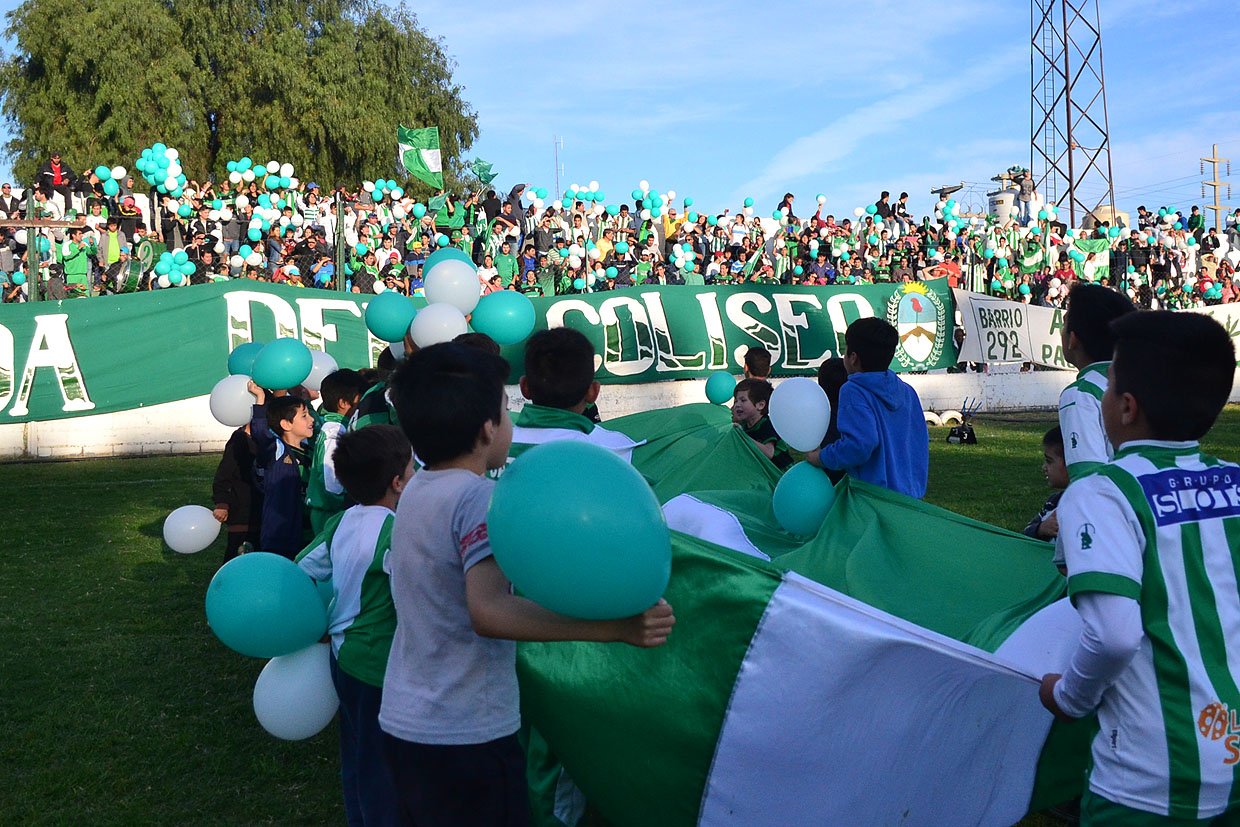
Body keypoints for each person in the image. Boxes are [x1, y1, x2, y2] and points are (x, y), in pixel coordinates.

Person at [379, 343, 675, 827]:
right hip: (465, 730)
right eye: (506, 407)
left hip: (408, 719)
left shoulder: (417, 490)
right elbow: (488, 610)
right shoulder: (479, 500)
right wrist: (615, 628)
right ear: (487, 429)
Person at [1038, 311, 1240, 826]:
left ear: (1126, 408)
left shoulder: (1100, 492)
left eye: (1108, 388)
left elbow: (1113, 635)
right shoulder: (1236, 482)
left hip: (1146, 780)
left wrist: (1068, 697)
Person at [297, 425, 412, 827]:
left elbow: (301, 570)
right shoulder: (397, 531)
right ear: (398, 482)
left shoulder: (341, 521)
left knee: (358, 755)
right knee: (383, 765)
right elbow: (413, 601)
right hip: (379, 665)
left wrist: (316, 622)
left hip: (342, 658)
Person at [806, 317, 929, 498]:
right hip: (910, 497)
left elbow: (860, 445)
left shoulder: (853, 390)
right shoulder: (907, 391)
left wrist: (821, 457)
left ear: (853, 358)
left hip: (872, 498)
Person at [1058, 283, 1136, 481]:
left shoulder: (1081, 394)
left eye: (1064, 325)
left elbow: (1088, 480)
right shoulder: (1145, 382)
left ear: (1072, 339)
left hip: (1119, 507)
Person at [248, 385, 315, 558]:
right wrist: (260, 398)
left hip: (309, 534)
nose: (311, 420)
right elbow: (261, 433)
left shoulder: (311, 451)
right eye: (304, 416)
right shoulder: (277, 450)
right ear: (286, 424)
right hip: (281, 536)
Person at [305, 369, 363, 534]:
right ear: (344, 403)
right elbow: (330, 480)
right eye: (360, 398)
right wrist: (345, 503)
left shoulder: (339, 427)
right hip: (329, 513)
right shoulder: (334, 431)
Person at [211, 423, 262, 562]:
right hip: (243, 513)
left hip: (264, 512)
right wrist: (222, 503)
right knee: (238, 557)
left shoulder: (269, 438)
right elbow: (223, 474)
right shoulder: (239, 439)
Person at [1023, 426, 1069, 572]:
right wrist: (1040, 529)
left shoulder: (1088, 506)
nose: (1044, 467)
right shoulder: (1053, 502)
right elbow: (1024, 536)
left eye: (1049, 461)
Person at [731, 378, 793, 470]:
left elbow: (769, 453)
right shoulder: (744, 425)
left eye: (743, 400)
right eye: (736, 401)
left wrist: (743, 436)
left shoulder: (766, 424)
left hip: (780, 473)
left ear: (760, 405)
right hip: (764, 472)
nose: (737, 405)